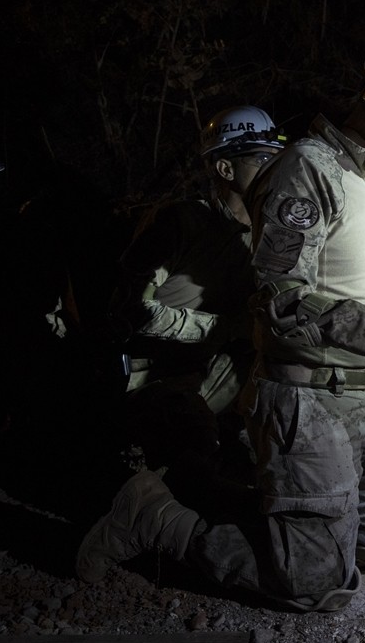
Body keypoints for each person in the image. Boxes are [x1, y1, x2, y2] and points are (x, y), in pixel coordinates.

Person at [75, 39, 365, 613]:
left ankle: (227, 500)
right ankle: (155, 519)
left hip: (361, 395)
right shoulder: (307, 171)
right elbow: (282, 303)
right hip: (309, 399)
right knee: (316, 580)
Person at [108, 105, 286, 510]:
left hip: (213, 369)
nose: (274, 167)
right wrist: (224, 328)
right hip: (149, 376)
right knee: (195, 463)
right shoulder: (180, 223)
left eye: (276, 156)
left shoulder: (268, 240)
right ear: (225, 169)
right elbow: (129, 311)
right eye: (261, 158)